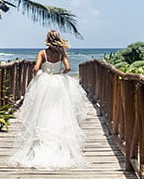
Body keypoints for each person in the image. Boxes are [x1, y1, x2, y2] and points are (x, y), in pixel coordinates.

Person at [9, 30, 87, 169]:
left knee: (42, 110)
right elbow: (68, 68)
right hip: (58, 82)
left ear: (47, 39)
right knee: (59, 110)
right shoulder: (62, 53)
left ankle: (40, 142)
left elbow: (35, 68)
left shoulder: (42, 53)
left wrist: (38, 76)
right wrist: (60, 73)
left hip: (45, 81)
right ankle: (59, 144)